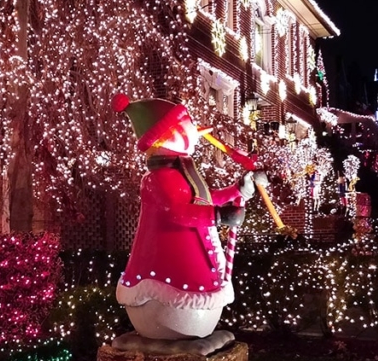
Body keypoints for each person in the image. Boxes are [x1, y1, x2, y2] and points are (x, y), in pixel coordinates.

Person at [113, 93, 266, 340]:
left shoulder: (183, 173)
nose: (194, 131)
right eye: (186, 125)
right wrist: (219, 216)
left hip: (196, 256)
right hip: (169, 264)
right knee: (180, 298)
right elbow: (178, 212)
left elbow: (203, 198)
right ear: (167, 134)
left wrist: (237, 190)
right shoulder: (159, 178)